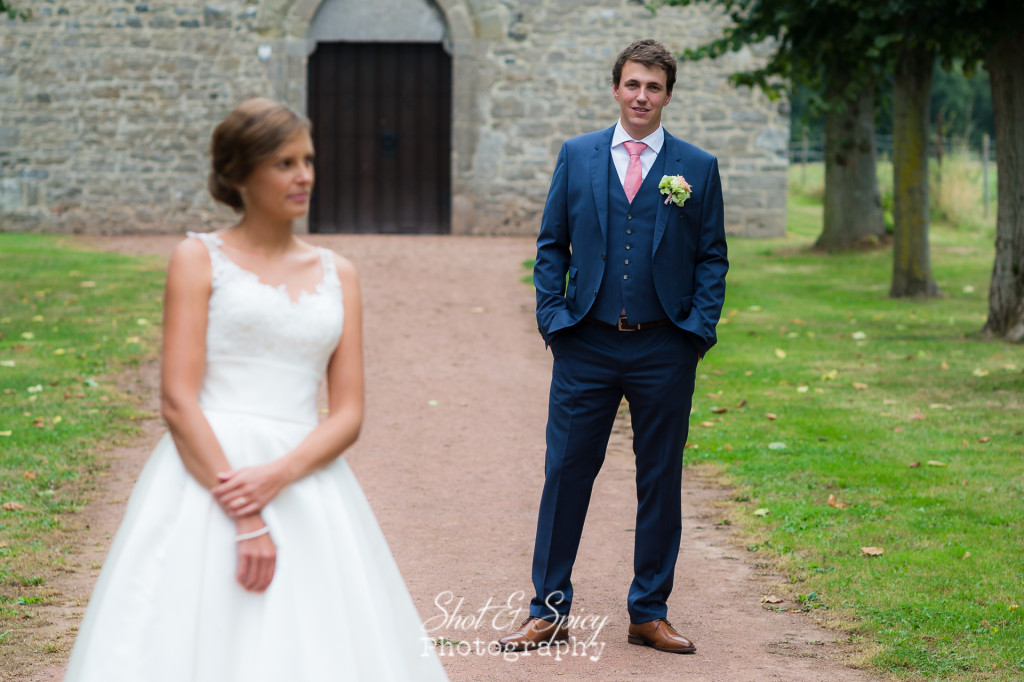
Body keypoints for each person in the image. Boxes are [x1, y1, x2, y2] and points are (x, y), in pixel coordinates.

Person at [64, 98, 448, 681]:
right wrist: (245, 514)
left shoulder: (339, 273)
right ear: (239, 175)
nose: (304, 176)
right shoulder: (198, 260)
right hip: (208, 476)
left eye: (308, 160)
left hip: (304, 480)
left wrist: (278, 475)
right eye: (284, 163)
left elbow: (347, 414)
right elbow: (176, 399)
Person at [498, 39, 728, 655]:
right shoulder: (577, 156)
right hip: (587, 346)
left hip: (664, 348)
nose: (641, 97)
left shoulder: (695, 168)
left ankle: (648, 611)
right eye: (632, 85)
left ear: (668, 95)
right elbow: (552, 245)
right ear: (616, 89)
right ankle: (547, 611)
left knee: (660, 479)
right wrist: (554, 319)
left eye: (653, 87)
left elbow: (712, 258)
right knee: (565, 475)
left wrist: (696, 332)